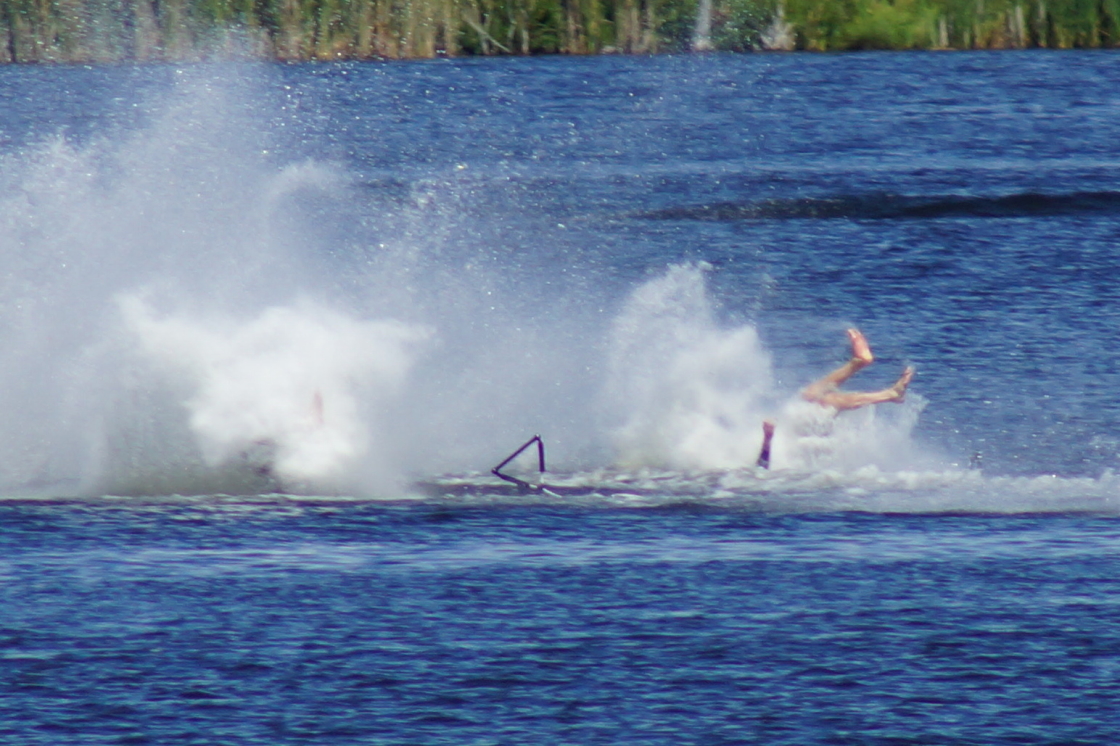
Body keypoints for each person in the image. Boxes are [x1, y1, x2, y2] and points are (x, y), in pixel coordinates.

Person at [756, 328, 914, 469]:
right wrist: (768, 437)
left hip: (790, 433)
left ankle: (863, 366)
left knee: (812, 396)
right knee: (825, 400)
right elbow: (761, 468)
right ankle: (883, 387)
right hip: (795, 445)